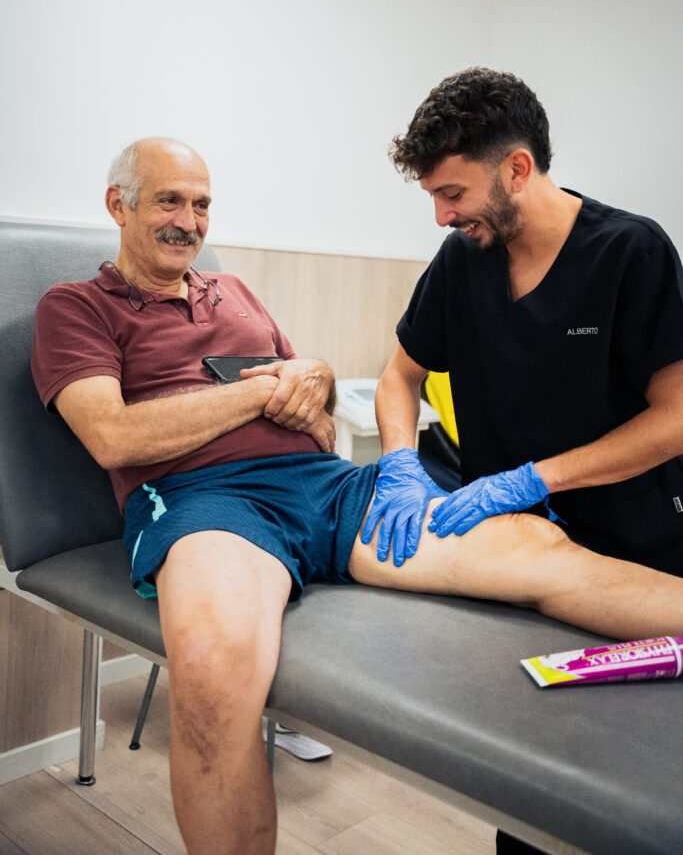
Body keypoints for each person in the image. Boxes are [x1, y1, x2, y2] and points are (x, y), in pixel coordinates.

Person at [31, 137, 683, 855]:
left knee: (535, 546)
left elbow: (311, 400)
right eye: (169, 201)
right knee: (214, 679)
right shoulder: (75, 307)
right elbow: (114, 436)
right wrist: (263, 394)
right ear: (118, 205)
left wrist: (312, 374)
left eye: (202, 204)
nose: (189, 221)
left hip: (330, 488)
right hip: (209, 504)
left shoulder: (234, 291)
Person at [365, 67, 683, 855]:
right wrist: (399, 463)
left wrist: (536, 477)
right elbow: (399, 376)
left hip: (630, 546)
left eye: (451, 193)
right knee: (531, 783)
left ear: (515, 167)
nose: (441, 216)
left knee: (634, 789)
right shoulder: (462, 260)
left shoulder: (628, 252)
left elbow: (676, 418)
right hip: (512, 554)